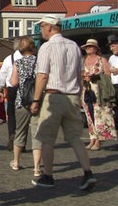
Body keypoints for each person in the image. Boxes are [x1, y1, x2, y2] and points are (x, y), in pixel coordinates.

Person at [30, 15, 97, 190]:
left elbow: (42, 75)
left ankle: (48, 175)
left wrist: (36, 99)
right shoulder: (74, 46)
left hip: (54, 96)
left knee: (46, 138)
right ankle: (88, 172)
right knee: (75, 137)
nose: (41, 30)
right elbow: (79, 74)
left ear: (50, 27)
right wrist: (79, 93)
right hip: (72, 96)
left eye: (42, 26)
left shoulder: (47, 47)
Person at [9, 36, 41, 176]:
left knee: (20, 131)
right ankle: (36, 167)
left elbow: (13, 82)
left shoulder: (18, 62)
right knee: (37, 134)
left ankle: (16, 161)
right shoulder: (39, 62)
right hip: (37, 100)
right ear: (33, 48)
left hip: (21, 100)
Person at [80, 39, 117, 151]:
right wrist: (83, 77)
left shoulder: (102, 60)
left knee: (99, 114)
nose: (89, 48)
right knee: (89, 115)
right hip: (86, 90)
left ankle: (98, 140)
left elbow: (108, 75)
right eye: (87, 47)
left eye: (91, 47)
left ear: (96, 48)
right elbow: (79, 74)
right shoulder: (82, 60)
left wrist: (97, 77)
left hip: (99, 91)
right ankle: (92, 138)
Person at [0, 40, 22, 150]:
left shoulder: (9, 59)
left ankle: (12, 135)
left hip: (11, 89)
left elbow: (2, 74)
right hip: (26, 89)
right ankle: (21, 141)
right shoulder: (32, 58)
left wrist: (0, 88)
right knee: (24, 116)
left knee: (11, 115)